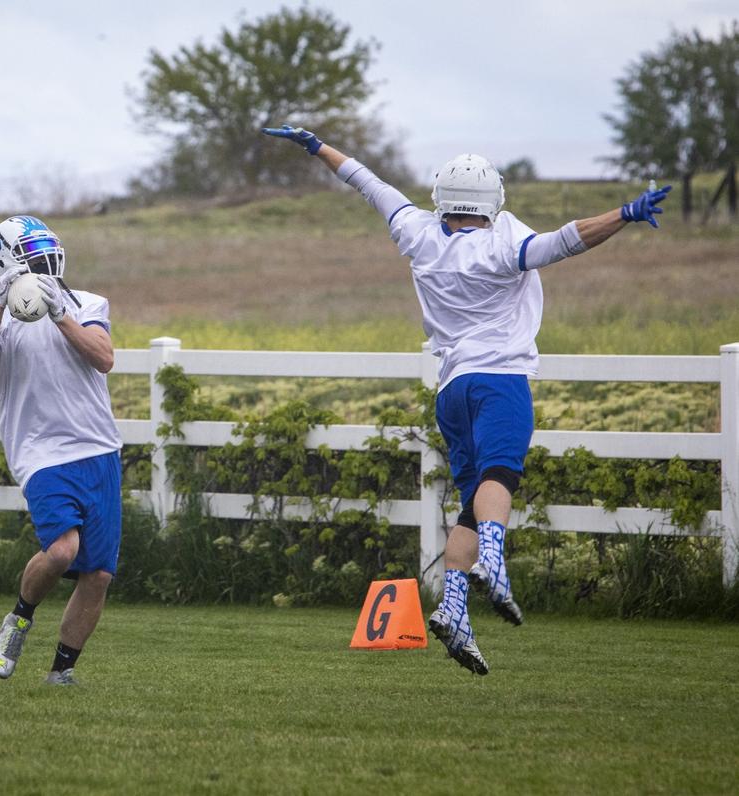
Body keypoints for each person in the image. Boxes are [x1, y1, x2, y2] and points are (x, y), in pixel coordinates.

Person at [262, 124, 670, 675]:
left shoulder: (417, 234)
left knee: (471, 501)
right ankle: (494, 565)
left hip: (451, 390)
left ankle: (454, 608)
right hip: (500, 378)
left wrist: (315, 146)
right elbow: (569, 239)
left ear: (441, 199)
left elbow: (366, 181)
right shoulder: (506, 244)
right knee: (502, 476)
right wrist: (625, 213)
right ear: (494, 200)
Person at [0, 214, 122, 686]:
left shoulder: (87, 302)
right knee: (61, 551)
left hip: (98, 448)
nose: (45, 263)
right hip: (40, 453)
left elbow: (104, 357)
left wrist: (59, 313)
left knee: (98, 575)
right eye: (33, 256)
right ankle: (20, 618)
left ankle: (61, 673)